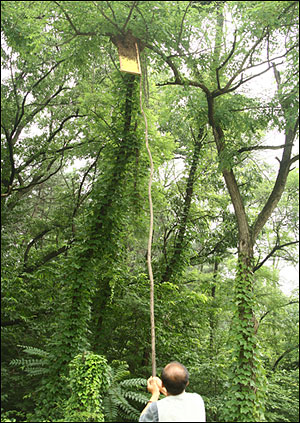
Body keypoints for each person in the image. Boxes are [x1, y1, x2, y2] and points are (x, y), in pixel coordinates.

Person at [139, 361, 206, 422]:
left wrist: (155, 394)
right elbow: (176, 399)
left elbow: (142, 420)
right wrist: (162, 389)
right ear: (187, 383)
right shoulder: (197, 399)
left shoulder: (156, 408)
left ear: (162, 384)